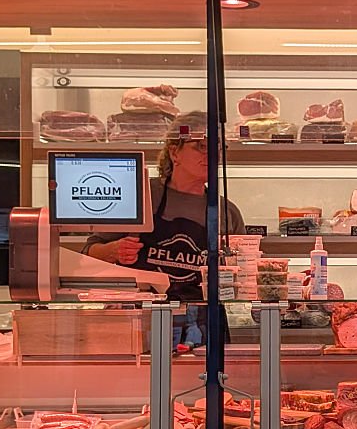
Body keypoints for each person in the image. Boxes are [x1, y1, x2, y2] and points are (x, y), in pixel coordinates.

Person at [84, 111, 245, 344]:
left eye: (218, 148)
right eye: (201, 146)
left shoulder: (226, 211)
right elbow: (89, 251)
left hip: (201, 326)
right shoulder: (141, 195)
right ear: (174, 151)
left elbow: (245, 272)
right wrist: (114, 250)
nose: (212, 155)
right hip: (140, 321)